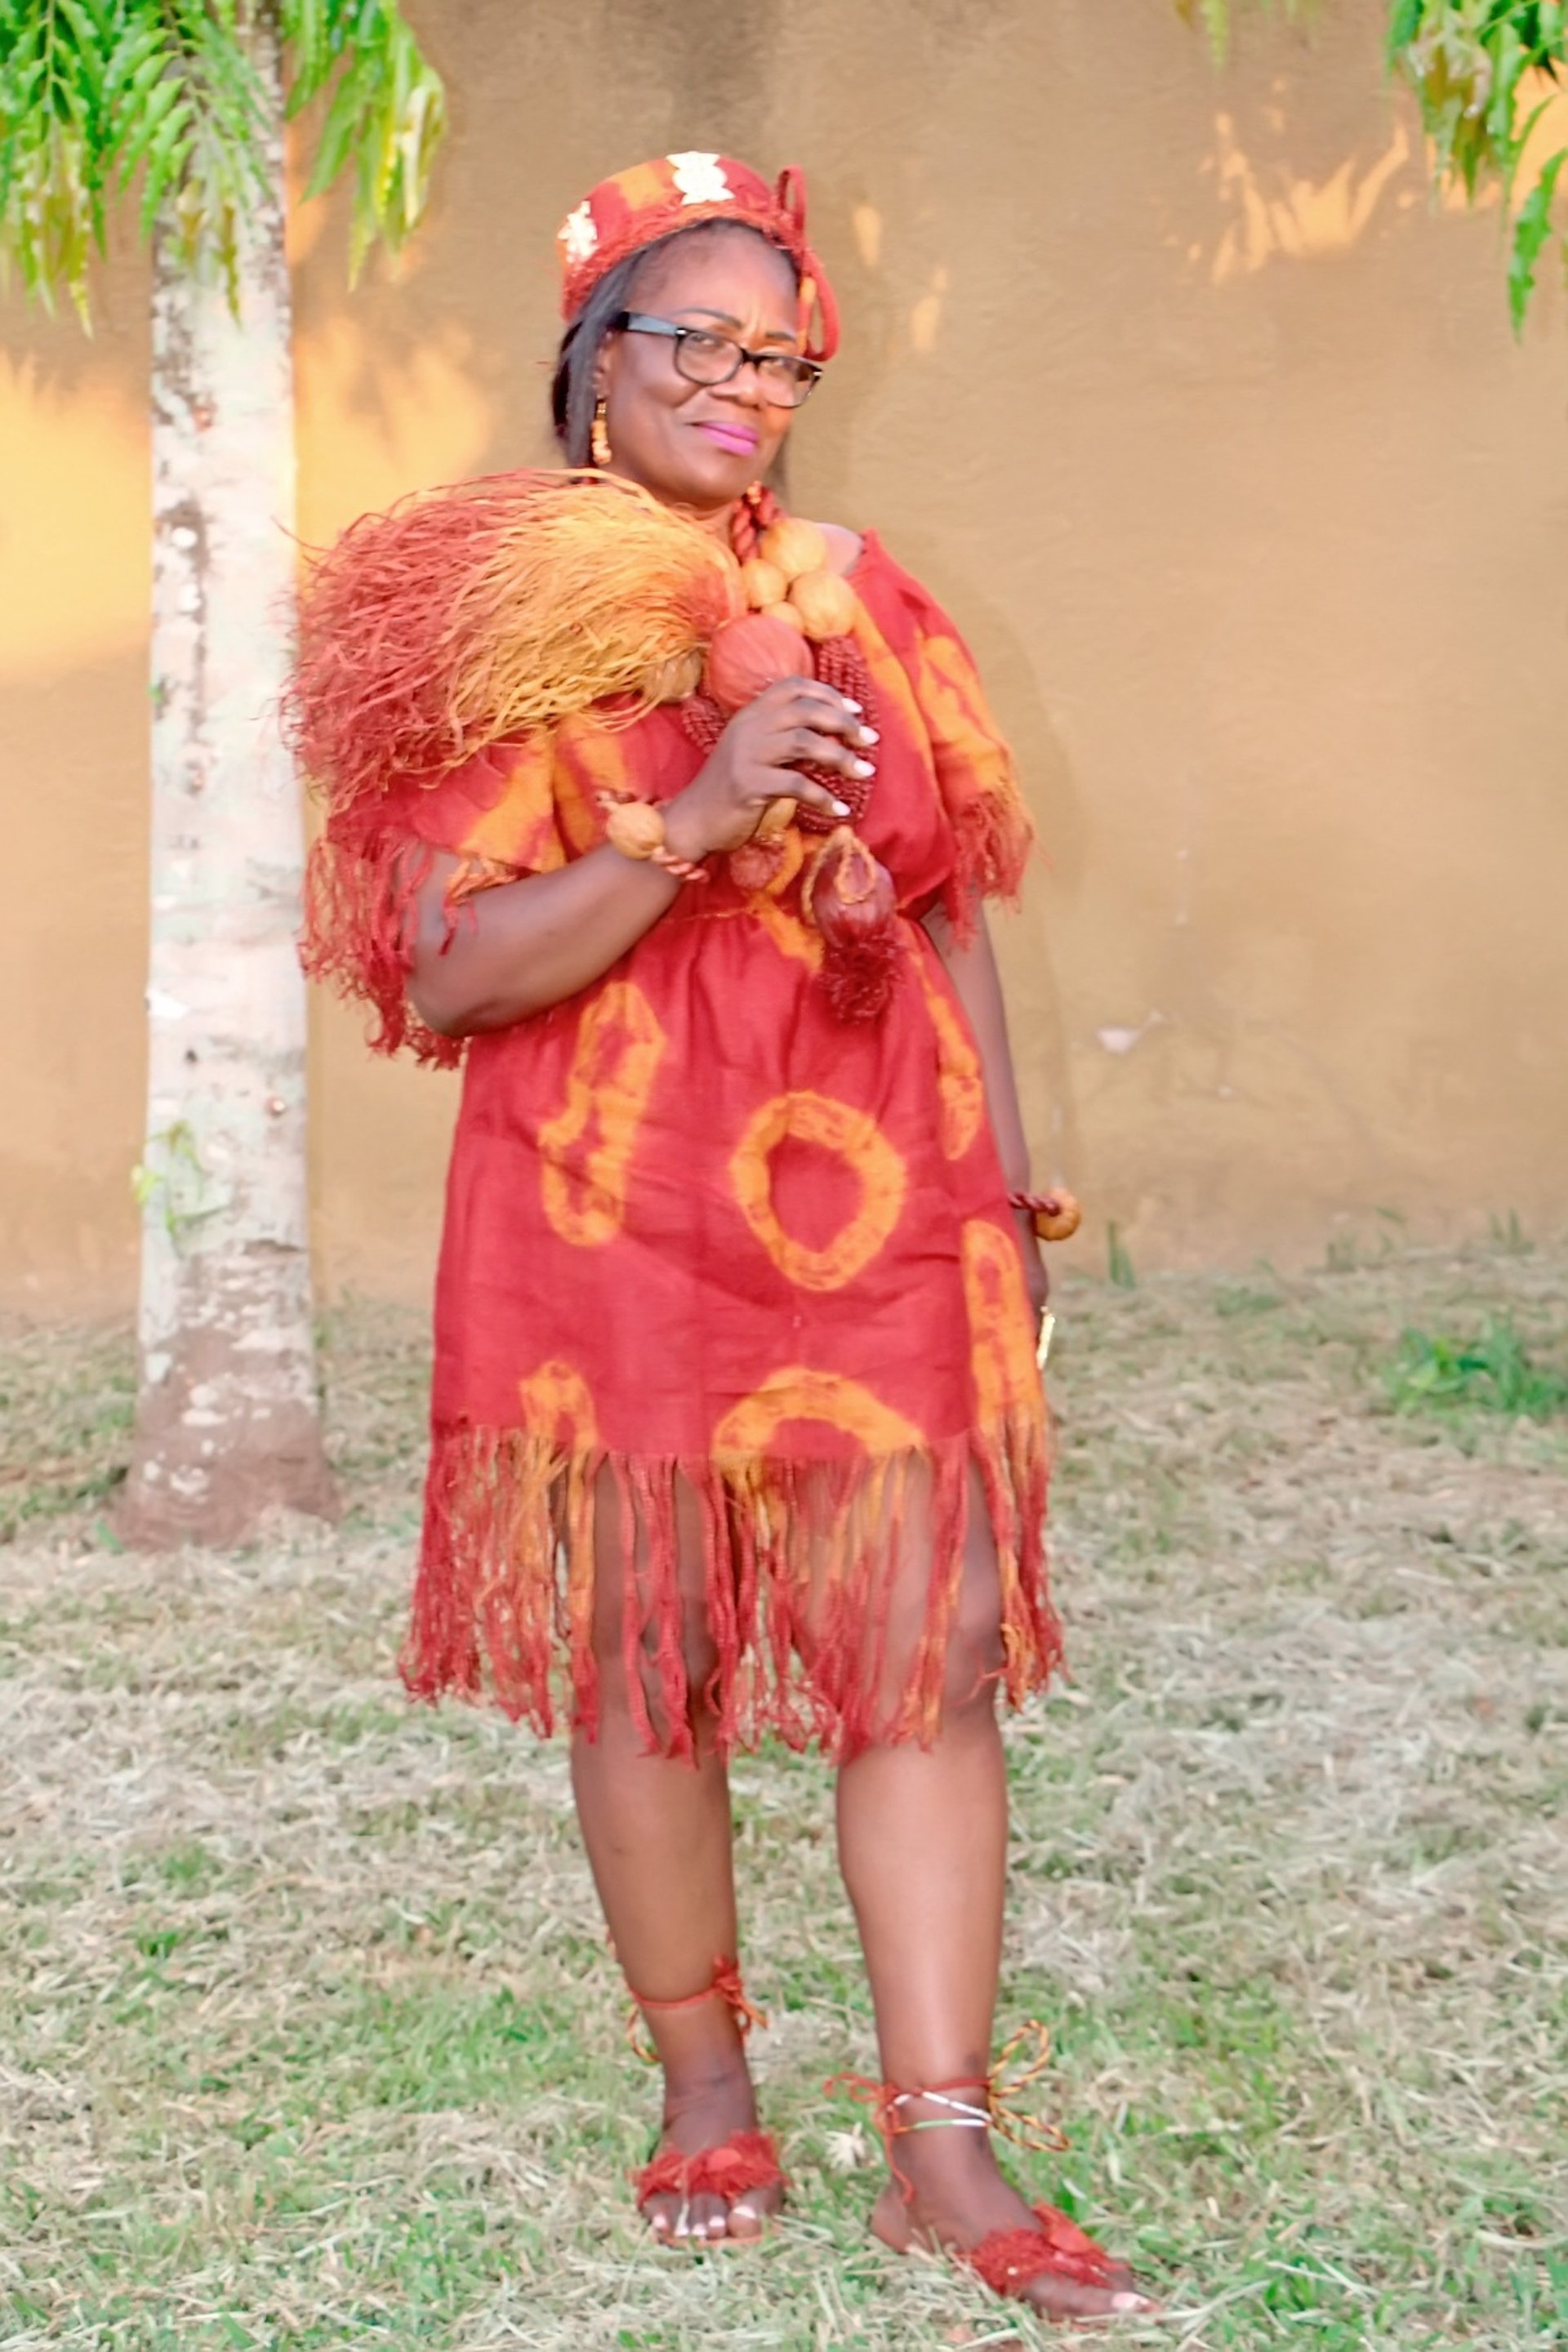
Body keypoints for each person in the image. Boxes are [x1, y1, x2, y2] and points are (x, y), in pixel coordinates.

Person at [291, 153, 1153, 2325]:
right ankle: (705, 2087)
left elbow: (943, 902)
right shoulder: (488, 609)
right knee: (643, 1651)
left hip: (880, 1196)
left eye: (784, 355)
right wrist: (689, 821)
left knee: (928, 1646)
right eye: (703, 341)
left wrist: (1005, 1200)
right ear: (597, 356)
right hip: (612, 1219)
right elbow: (456, 970)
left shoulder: (863, 593)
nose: (751, 385)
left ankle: (941, 2151)